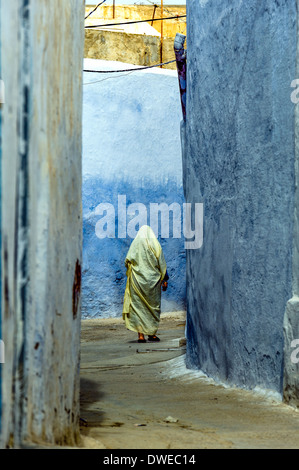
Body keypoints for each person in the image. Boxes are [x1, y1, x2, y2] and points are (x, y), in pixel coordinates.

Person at [122, 225, 169, 343]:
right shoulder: (155, 245)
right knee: (153, 308)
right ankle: (152, 334)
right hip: (153, 282)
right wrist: (165, 279)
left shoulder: (135, 245)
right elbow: (161, 262)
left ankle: (141, 336)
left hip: (137, 282)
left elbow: (127, 261)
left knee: (138, 308)